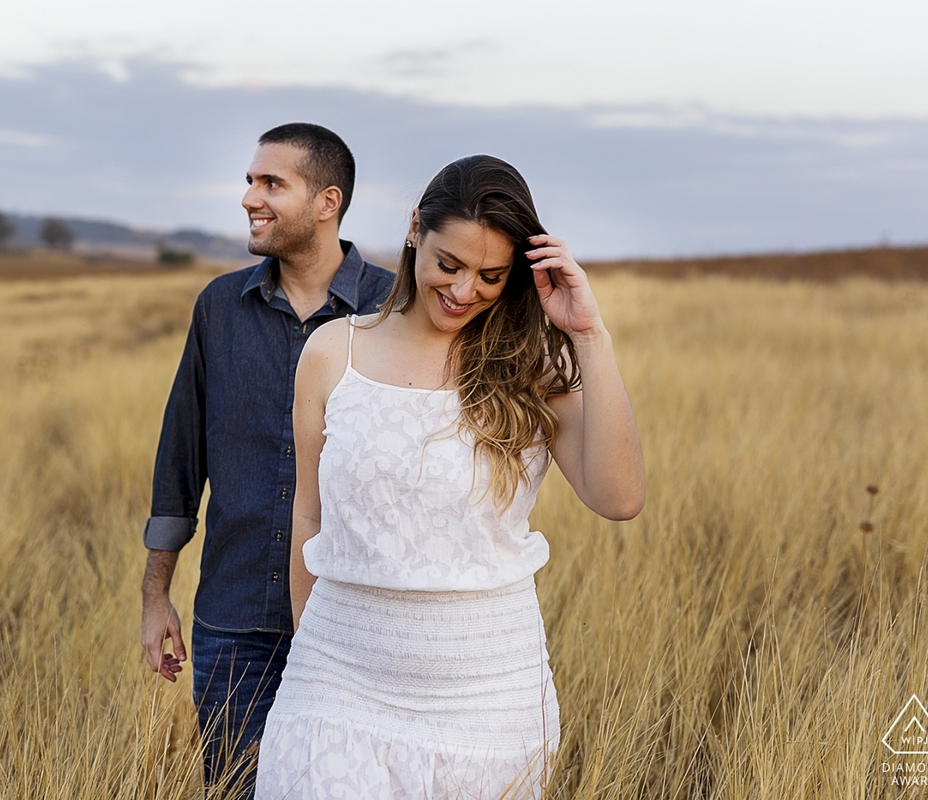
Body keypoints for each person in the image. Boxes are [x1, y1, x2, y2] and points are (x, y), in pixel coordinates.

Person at [255, 154, 647, 799]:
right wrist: (310, 652)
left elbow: (620, 498)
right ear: (416, 230)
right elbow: (309, 515)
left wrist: (590, 336)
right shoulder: (332, 352)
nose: (466, 291)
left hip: (487, 695)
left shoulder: (532, 369)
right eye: (450, 265)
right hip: (337, 678)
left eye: (492, 275)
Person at [139, 123, 394, 794]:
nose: (250, 196)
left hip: (358, 620)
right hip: (236, 621)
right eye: (250, 180)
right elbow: (181, 457)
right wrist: (155, 594)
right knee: (233, 789)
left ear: (326, 201)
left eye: (270, 183)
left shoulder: (397, 310)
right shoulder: (220, 308)